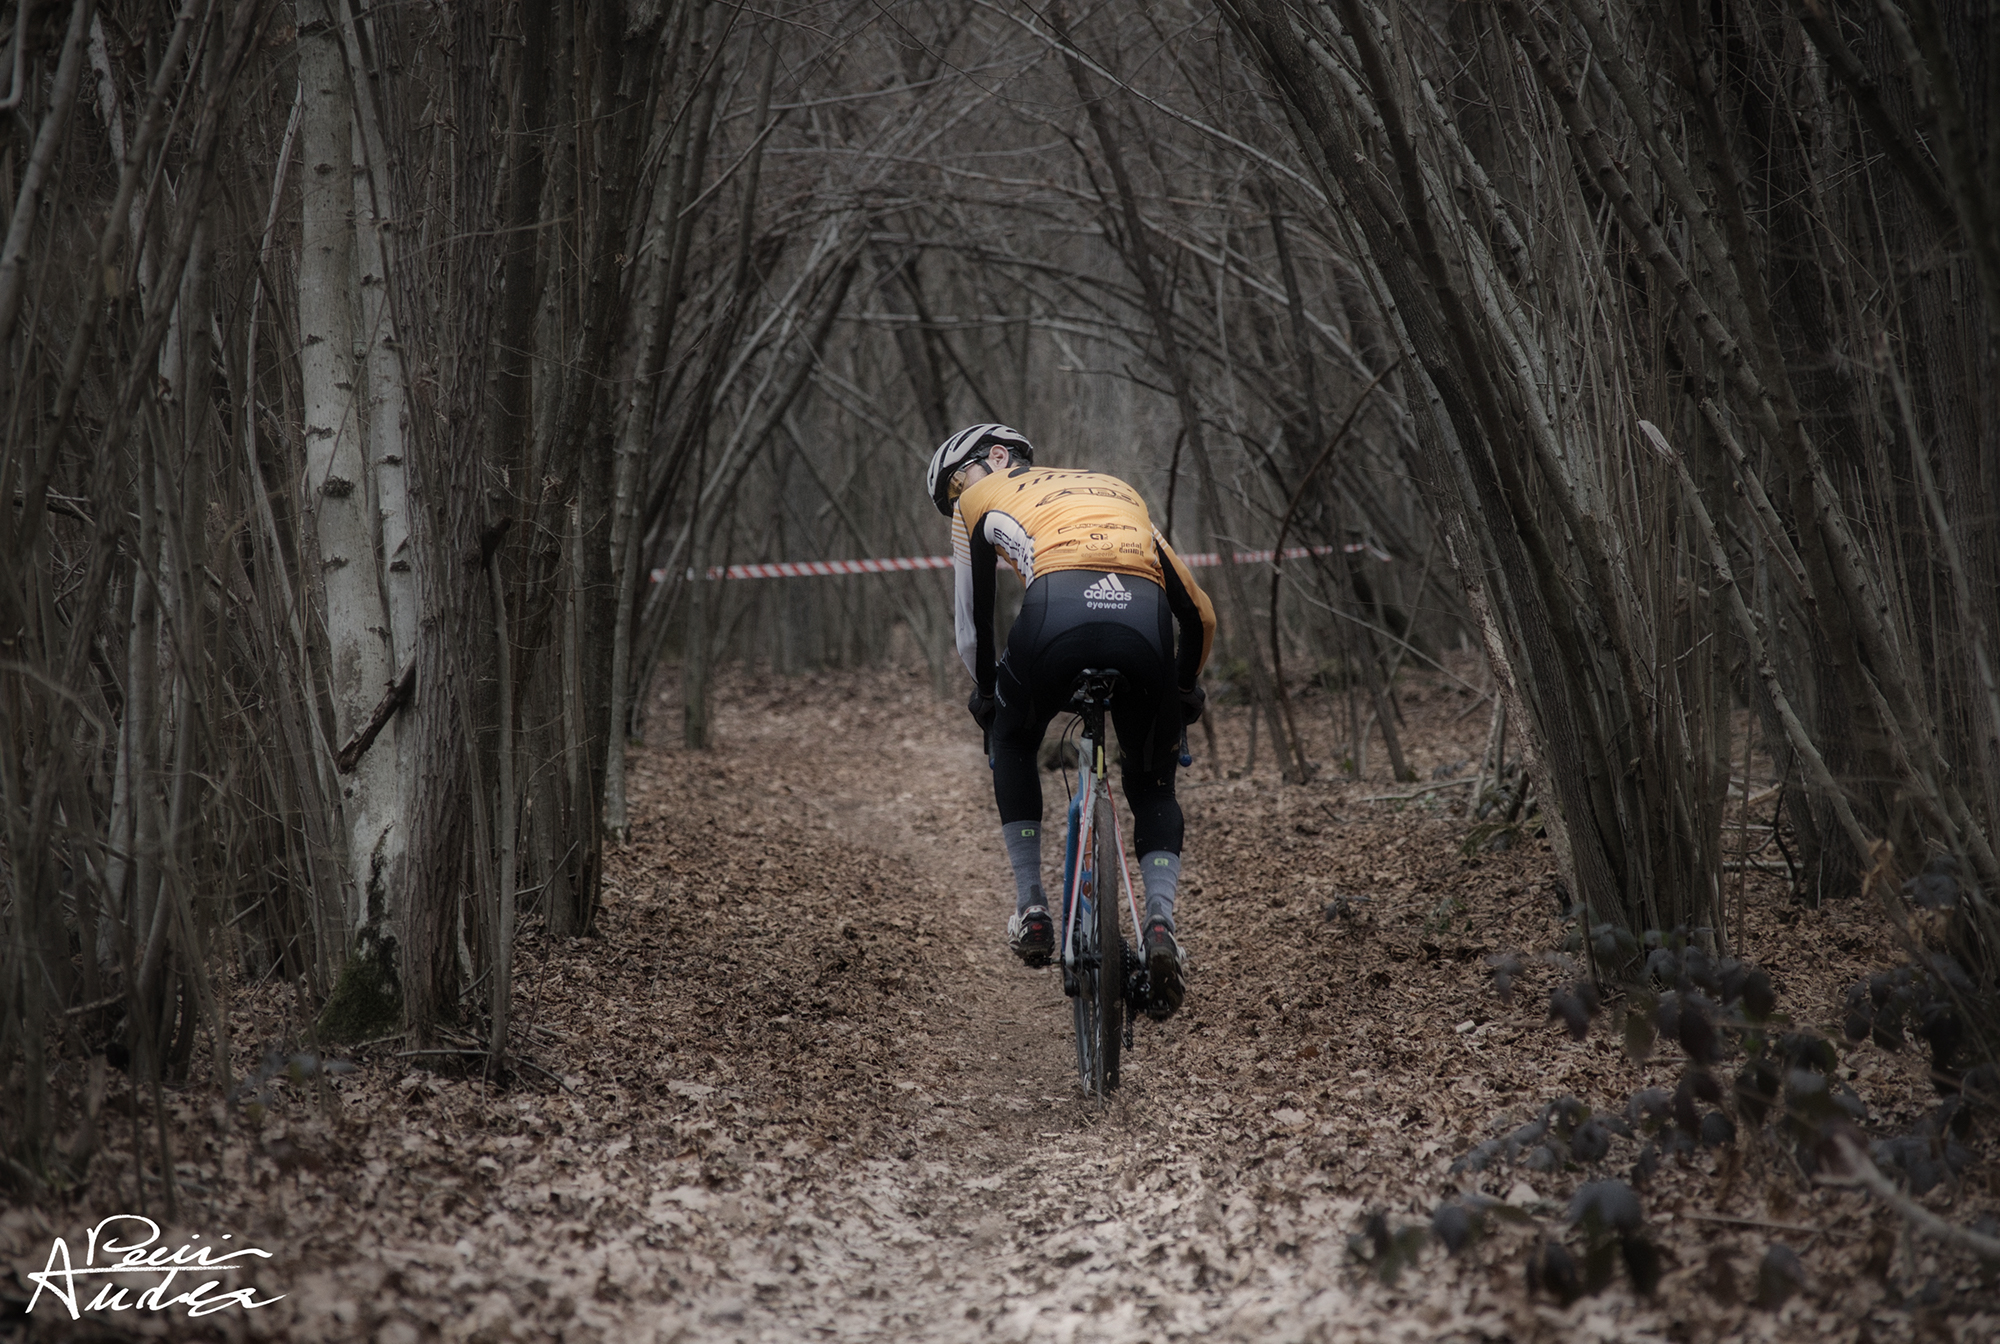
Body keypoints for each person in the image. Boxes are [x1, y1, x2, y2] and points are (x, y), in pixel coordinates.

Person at [926, 423, 1215, 1018]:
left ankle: (1032, 907)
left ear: (995, 458)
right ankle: (1160, 924)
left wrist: (988, 697)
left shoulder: (978, 501)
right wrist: (1182, 690)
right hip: (1145, 626)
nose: (956, 503)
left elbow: (970, 626)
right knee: (1154, 783)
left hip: (1053, 617)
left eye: (955, 486)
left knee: (1011, 737)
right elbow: (1201, 614)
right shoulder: (1114, 489)